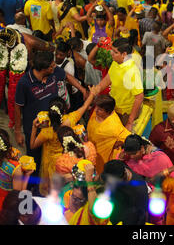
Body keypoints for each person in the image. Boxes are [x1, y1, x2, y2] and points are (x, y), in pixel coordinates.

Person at [14, 51, 88, 194]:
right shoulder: (24, 83)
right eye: (52, 65)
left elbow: (66, 76)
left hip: (54, 128)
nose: (55, 67)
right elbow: (18, 106)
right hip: (35, 129)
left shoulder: (54, 73)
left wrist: (82, 89)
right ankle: (34, 191)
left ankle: (52, 189)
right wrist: (18, 131)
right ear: (43, 68)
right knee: (34, 160)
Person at [29, 87, 98, 196]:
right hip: (68, 159)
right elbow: (85, 106)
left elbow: (32, 146)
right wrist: (92, 94)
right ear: (64, 111)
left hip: (50, 163)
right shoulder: (70, 120)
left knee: (51, 190)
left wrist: (34, 127)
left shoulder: (47, 131)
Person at [95, 38, 144, 131]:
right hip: (114, 106)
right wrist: (97, 89)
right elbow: (108, 79)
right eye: (112, 50)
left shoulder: (132, 71)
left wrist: (129, 122)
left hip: (126, 112)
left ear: (124, 54)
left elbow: (139, 97)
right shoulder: (116, 62)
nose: (111, 53)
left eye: (115, 52)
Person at [0, 129, 33, 212]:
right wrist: (27, 175)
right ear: (8, 145)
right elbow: (18, 195)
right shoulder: (15, 168)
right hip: (5, 205)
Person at [87, 94, 131, 173]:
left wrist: (119, 143)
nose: (96, 110)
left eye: (100, 109)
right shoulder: (97, 112)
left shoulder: (114, 126)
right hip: (91, 152)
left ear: (107, 111)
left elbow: (128, 138)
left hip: (102, 159)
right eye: (96, 107)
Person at [101, 160, 149, 225]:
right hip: (116, 211)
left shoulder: (139, 189)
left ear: (124, 176)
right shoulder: (117, 168)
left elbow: (140, 215)